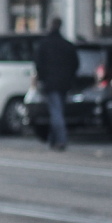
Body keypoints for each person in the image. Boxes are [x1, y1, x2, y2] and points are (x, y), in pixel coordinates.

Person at [33, 17, 79, 151]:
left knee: (56, 111)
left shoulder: (44, 44)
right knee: (58, 110)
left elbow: (38, 63)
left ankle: (60, 140)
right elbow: (75, 64)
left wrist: (42, 78)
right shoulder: (67, 45)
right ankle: (53, 140)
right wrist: (70, 78)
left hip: (50, 83)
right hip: (64, 83)